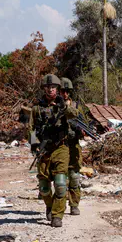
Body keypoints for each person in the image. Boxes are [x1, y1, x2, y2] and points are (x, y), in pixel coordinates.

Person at [29, 74, 76, 227]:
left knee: (61, 184)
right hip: (44, 149)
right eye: (48, 87)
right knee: (43, 187)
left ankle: (57, 215)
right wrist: (34, 145)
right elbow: (30, 129)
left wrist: (64, 107)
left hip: (61, 147)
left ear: (58, 89)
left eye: (54, 87)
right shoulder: (37, 108)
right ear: (43, 89)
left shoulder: (64, 105)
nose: (50, 90)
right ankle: (49, 205)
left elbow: (75, 115)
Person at [59, 77, 82, 216]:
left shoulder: (77, 106)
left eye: (67, 91)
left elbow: (85, 122)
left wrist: (79, 131)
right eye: (62, 91)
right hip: (59, 146)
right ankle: (56, 208)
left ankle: (74, 204)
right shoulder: (54, 106)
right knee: (59, 179)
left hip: (73, 146)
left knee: (74, 177)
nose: (65, 94)